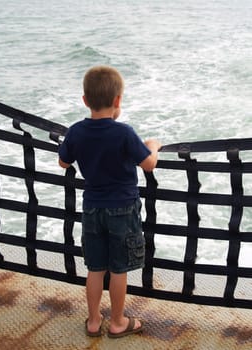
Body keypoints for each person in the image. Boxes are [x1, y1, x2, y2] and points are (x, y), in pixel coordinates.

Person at [58, 66, 161, 338]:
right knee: (119, 269)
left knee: (95, 268)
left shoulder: (76, 131)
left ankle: (93, 321)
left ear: (85, 100)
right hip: (123, 210)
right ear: (117, 101)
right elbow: (148, 164)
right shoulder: (124, 133)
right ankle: (117, 322)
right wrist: (153, 145)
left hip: (92, 207)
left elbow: (63, 161)